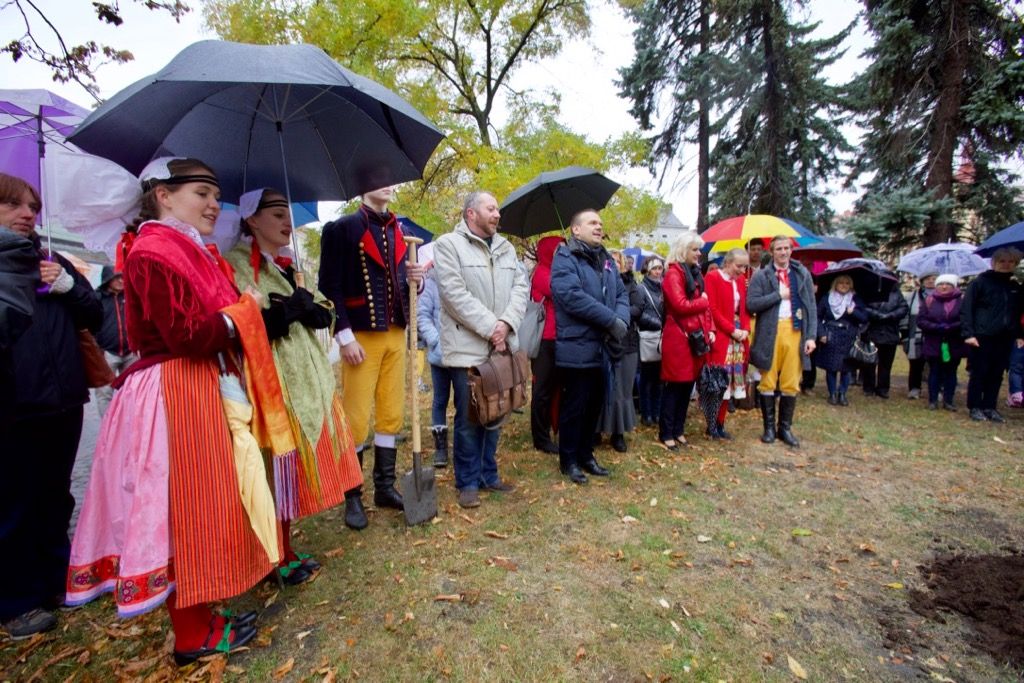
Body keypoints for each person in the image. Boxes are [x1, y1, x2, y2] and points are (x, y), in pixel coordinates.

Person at [67, 159, 275, 663]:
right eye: (202, 192)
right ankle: (190, 635)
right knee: (183, 508)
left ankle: (204, 616)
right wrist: (242, 315)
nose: (212, 204)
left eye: (216, 195)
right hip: (174, 391)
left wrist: (235, 313)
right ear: (163, 194)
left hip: (196, 386)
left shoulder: (185, 248)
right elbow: (189, 335)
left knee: (202, 503)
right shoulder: (155, 250)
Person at [225, 188, 365, 559]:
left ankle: (282, 550)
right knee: (272, 466)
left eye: (288, 213)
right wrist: (286, 312)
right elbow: (244, 324)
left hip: (305, 375)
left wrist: (310, 308)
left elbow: (323, 311)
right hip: (272, 383)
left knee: (285, 468)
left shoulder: (285, 266)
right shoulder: (236, 264)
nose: (287, 221)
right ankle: (272, 556)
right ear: (252, 220)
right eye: (276, 214)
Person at [0, 174, 102, 640]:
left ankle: (60, 580)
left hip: (63, 399)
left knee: (56, 495)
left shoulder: (49, 259)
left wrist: (69, 286)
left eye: (33, 206)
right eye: (14, 205)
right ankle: (18, 601)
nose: (28, 214)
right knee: (13, 503)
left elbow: (96, 314)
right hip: (13, 407)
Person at [318, 185, 423, 518]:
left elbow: (400, 284)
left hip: (396, 332)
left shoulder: (400, 231)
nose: (387, 185)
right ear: (363, 186)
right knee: (356, 416)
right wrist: (345, 336)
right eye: (378, 179)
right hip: (361, 335)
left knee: (392, 412)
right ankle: (353, 494)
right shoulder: (343, 228)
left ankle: (384, 487)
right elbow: (329, 285)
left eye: (390, 179)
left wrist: (415, 279)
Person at [433, 191, 528, 507]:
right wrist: (492, 327)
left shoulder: (506, 248)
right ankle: (468, 482)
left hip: (501, 346)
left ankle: (489, 475)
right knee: (471, 415)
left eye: (498, 209)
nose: (497, 214)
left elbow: (521, 287)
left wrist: (506, 324)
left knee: (498, 410)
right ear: (471, 213)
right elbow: (453, 294)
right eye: (491, 208)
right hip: (468, 348)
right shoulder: (448, 245)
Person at [550, 209, 629, 483]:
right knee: (575, 406)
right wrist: (610, 320)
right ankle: (568, 460)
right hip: (577, 346)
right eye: (592, 223)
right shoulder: (564, 257)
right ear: (575, 229)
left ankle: (586, 454)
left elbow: (620, 293)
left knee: (595, 405)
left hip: (603, 348)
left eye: (600, 223)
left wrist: (621, 319)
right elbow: (572, 297)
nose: (599, 227)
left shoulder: (606, 259)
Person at [747, 235, 817, 447]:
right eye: (779, 249)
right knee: (767, 379)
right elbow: (751, 304)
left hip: (795, 330)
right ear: (772, 252)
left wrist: (811, 336)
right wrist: (778, 295)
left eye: (786, 248)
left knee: (791, 381)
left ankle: (784, 428)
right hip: (770, 331)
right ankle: (769, 428)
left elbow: (811, 307)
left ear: (791, 251)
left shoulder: (802, 274)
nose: (783, 252)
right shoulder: (762, 276)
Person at [659, 231, 714, 450]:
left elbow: (702, 307)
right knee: (675, 387)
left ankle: (678, 429)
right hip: (679, 338)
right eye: (695, 249)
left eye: (699, 249)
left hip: (694, 338)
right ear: (684, 250)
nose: (699, 254)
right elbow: (681, 305)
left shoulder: (694, 273)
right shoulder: (674, 274)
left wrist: (709, 328)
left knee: (687, 387)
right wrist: (703, 302)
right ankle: (666, 432)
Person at [961, 247, 1023, 422]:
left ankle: (990, 406)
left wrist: (1019, 334)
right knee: (979, 371)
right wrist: (969, 333)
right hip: (982, 335)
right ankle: (975, 406)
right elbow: (967, 310)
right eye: (1002, 261)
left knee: (996, 373)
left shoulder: (1014, 287)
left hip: (1005, 336)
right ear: (994, 262)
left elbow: (1017, 313)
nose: (1006, 265)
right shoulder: (980, 283)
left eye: (1010, 262)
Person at [597, 249, 641, 452]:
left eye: (617, 261)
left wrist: (616, 314)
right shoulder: (600, 282)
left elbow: (638, 308)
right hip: (603, 342)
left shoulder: (632, 284)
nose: (613, 264)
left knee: (622, 389)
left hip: (627, 343)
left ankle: (618, 433)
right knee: (603, 389)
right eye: (610, 261)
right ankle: (597, 430)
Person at [704, 247, 750, 437]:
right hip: (723, 336)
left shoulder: (740, 281)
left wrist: (745, 329)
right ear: (728, 262)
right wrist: (732, 330)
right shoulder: (713, 277)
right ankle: (712, 424)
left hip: (738, 336)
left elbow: (744, 307)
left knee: (731, 383)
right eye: (739, 266)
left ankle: (721, 423)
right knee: (718, 382)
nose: (742, 270)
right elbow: (712, 309)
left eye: (745, 267)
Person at [416, 243, 455, 467]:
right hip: (440, 356)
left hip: (461, 355)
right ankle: (441, 447)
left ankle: (462, 443)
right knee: (440, 399)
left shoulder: (461, 280)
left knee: (463, 400)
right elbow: (423, 316)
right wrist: (436, 341)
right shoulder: (430, 285)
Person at [529, 235, 565, 454]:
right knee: (542, 391)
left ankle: (552, 428)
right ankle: (540, 437)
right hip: (544, 340)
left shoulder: (553, 271)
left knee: (554, 389)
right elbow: (562, 292)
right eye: (558, 251)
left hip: (557, 338)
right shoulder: (543, 273)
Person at [916, 274, 967, 411]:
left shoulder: (961, 300)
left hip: (954, 341)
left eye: (948, 284)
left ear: (953, 286)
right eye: (941, 284)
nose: (944, 286)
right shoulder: (930, 300)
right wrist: (936, 327)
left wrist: (952, 327)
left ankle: (948, 400)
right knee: (935, 371)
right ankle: (933, 400)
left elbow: (965, 318)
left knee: (951, 371)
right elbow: (921, 320)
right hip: (934, 341)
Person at [815, 275, 867, 406]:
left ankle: (842, 393)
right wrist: (821, 333)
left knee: (846, 367)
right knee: (831, 367)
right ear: (835, 284)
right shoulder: (827, 298)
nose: (844, 285)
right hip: (831, 334)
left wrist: (853, 312)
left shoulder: (855, 299)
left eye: (847, 283)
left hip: (848, 335)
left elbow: (864, 318)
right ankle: (832, 393)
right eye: (841, 283)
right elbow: (817, 316)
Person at [92, 265, 137, 417]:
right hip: (106, 352)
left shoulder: (131, 297)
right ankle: (107, 427)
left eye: (123, 277)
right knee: (105, 392)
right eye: (116, 277)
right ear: (107, 279)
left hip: (131, 352)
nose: (121, 280)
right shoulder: (97, 298)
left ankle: (127, 424)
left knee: (131, 390)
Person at [861, 283, 909, 399]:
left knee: (886, 363)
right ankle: (868, 387)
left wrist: (890, 315)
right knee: (869, 361)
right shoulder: (871, 291)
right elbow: (863, 306)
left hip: (890, 331)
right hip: (873, 330)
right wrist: (877, 315)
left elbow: (903, 308)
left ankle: (883, 388)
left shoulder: (896, 293)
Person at [637, 257, 665, 427]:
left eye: (660, 268)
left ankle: (657, 411)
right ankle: (646, 412)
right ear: (647, 270)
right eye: (654, 268)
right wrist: (659, 324)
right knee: (647, 378)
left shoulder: (664, 288)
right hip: (649, 336)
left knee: (660, 379)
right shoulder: (642, 288)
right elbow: (640, 313)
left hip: (663, 336)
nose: (657, 271)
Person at [901, 273, 936, 399]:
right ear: (922, 281)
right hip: (915, 335)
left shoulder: (942, 296)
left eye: (934, 279)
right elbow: (905, 316)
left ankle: (937, 390)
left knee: (937, 364)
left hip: (936, 336)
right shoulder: (913, 296)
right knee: (915, 363)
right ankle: (914, 388)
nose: (931, 281)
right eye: (928, 279)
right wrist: (904, 335)